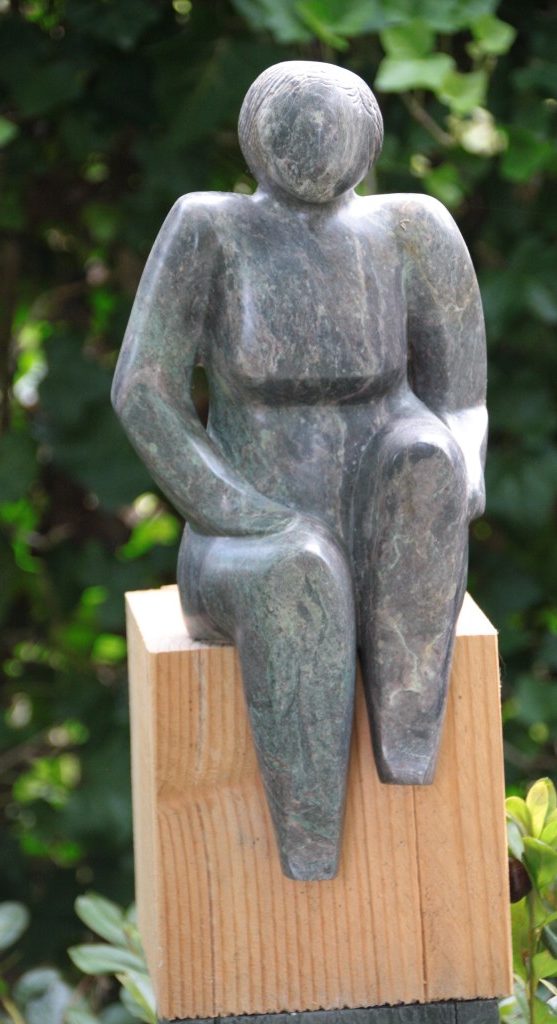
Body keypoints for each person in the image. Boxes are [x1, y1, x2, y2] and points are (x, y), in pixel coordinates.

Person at [112, 61, 487, 881]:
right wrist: (237, 510)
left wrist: (461, 467)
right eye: (296, 126)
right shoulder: (210, 228)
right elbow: (144, 392)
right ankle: (309, 849)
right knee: (299, 570)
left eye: (334, 126)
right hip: (248, 531)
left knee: (425, 462)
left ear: (368, 137)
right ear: (257, 135)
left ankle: (408, 751)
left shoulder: (411, 228)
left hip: (381, 507)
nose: (316, 143)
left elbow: (459, 398)